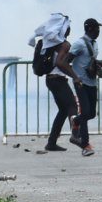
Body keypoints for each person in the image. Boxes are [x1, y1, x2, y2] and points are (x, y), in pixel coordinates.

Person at [29, 13, 82, 152]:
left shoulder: (46, 43)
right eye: (68, 27)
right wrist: (75, 76)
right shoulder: (64, 44)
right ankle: (76, 136)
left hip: (50, 80)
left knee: (63, 111)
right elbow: (60, 63)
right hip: (58, 80)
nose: (69, 29)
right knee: (72, 106)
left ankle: (51, 142)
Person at [70, 18, 102, 156]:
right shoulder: (79, 44)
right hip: (81, 83)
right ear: (90, 29)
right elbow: (65, 61)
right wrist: (75, 77)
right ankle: (85, 145)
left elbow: (91, 60)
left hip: (92, 82)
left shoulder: (95, 44)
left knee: (91, 113)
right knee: (86, 113)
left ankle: (75, 120)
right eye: (97, 28)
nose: (99, 31)